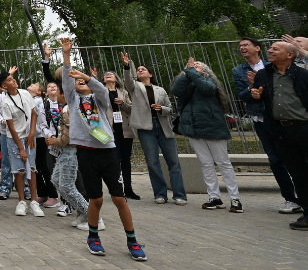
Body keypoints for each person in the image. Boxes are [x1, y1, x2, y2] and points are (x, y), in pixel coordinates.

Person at [63, 39, 146, 261]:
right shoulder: (72, 100)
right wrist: (67, 56)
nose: (80, 82)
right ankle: (93, 237)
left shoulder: (99, 99)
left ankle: (132, 240)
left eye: (84, 81)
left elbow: (101, 89)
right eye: (78, 81)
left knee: (119, 198)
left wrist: (88, 77)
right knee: (96, 200)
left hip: (108, 152)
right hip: (86, 153)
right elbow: (66, 81)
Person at [232, 37, 302, 214]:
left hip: (286, 119)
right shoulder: (239, 70)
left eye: (246, 45)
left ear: (257, 48)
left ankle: (304, 197)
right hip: (262, 121)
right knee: (275, 160)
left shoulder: (272, 67)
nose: (242, 48)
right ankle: (290, 199)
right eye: (240, 46)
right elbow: (243, 96)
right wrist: (251, 88)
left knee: (298, 159)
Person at [171, 59, 243, 213]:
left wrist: (192, 72)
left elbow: (207, 89)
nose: (193, 67)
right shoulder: (188, 82)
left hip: (213, 127)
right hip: (194, 128)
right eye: (191, 66)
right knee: (205, 163)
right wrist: (186, 74)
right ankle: (214, 197)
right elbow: (176, 90)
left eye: (197, 65)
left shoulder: (209, 81)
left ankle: (235, 198)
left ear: (205, 70)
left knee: (223, 162)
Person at [250, 41, 308, 230]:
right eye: (270, 48)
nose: (270, 50)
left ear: (290, 55)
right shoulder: (263, 75)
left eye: (276, 49)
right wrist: (254, 95)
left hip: (304, 128)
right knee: (298, 174)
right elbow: (254, 97)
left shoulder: (302, 74)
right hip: (281, 131)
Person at [122, 52, 186, 205]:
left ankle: (179, 195)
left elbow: (170, 109)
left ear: (150, 74)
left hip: (163, 126)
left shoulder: (160, 90)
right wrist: (126, 66)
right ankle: (160, 194)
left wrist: (161, 108)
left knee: (173, 162)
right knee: (152, 162)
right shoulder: (135, 87)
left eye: (143, 69)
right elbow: (128, 81)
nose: (140, 70)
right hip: (146, 129)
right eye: (138, 69)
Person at [42, 81, 99, 231]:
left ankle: (94, 217)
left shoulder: (68, 109)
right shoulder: (67, 108)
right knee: (56, 180)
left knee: (67, 185)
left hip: (70, 151)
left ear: (63, 94)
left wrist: (55, 140)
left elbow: (68, 137)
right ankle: (82, 213)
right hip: (64, 152)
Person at [0, 68, 43, 218]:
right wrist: (21, 148)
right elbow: (11, 127)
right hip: (14, 139)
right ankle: (22, 201)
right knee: (19, 170)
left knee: (32, 168)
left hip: (29, 136)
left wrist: (31, 134)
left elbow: (33, 113)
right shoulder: (5, 103)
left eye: (12, 78)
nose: (13, 80)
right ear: (4, 86)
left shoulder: (24, 93)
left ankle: (34, 202)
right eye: (9, 80)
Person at [103, 69, 137, 200]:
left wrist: (122, 103)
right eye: (106, 75)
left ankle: (128, 188)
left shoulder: (123, 92)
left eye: (111, 74)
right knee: (114, 160)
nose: (108, 75)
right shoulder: (101, 91)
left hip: (124, 129)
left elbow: (131, 109)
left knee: (126, 160)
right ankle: (117, 190)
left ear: (116, 79)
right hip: (110, 130)